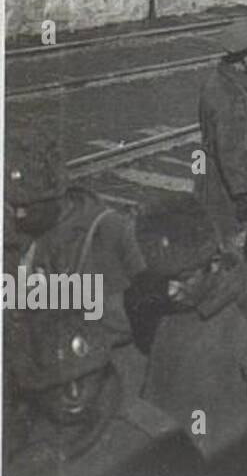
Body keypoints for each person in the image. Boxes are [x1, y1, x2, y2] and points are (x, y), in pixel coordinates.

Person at [139, 203, 247, 459]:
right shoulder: (170, 303)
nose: (170, 291)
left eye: (183, 278)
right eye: (164, 280)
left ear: (215, 264)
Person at [4, 132, 147, 387]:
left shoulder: (109, 230)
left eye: (28, 207)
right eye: (12, 206)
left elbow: (143, 306)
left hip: (93, 379)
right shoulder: (19, 234)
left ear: (58, 197)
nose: (18, 216)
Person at [4, 311, 190, 476]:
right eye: (56, 386)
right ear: (31, 387)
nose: (74, 394)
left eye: (84, 379)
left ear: (101, 371)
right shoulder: (15, 437)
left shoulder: (153, 440)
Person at [196, 16, 247, 244]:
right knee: (231, 252)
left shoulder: (223, 81)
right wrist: (245, 200)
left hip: (217, 186)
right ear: (243, 57)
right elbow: (234, 157)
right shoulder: (232, 98)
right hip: (227, 196)